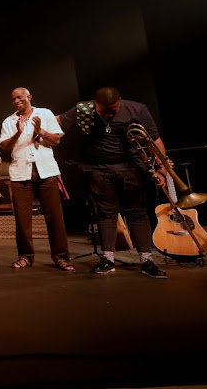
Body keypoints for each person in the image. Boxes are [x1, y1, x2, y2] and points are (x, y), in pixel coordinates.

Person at [56, 87, 167, 278]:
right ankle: (108, 259)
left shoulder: (136, 109)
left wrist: (162, 170)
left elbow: (154, 141)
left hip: (132, 170)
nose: (108, 115)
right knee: (107, 215)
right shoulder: (84, 109)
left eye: (113, 111)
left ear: (120, 102)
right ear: (95, 105)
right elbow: (57, 121)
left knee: (137, 213)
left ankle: (147, 260)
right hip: (100, 171)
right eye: (104, 111)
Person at [0, 88, 75, 272]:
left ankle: (61, 257)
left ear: (29, 97)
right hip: (20, 175)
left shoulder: (45, 113)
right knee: (23, 221)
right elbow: (5, 147)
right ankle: (25, 256)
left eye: (20, 97)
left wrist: (41, 130)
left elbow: (56, 141)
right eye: (13, 98)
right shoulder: (9, 121)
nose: (17, 101)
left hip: (46, 173)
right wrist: (18, 133)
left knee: (55, 218)